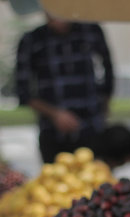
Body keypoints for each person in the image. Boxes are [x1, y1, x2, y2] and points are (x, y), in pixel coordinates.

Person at [15, 14, 114, 164]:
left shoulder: (91, 31)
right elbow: (23, 90)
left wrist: (104, 107)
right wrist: (55, 115)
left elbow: (109, 72)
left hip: (91, 128)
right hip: (53, 134)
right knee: (53, 182)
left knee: (97, 179)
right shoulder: (32, 40)